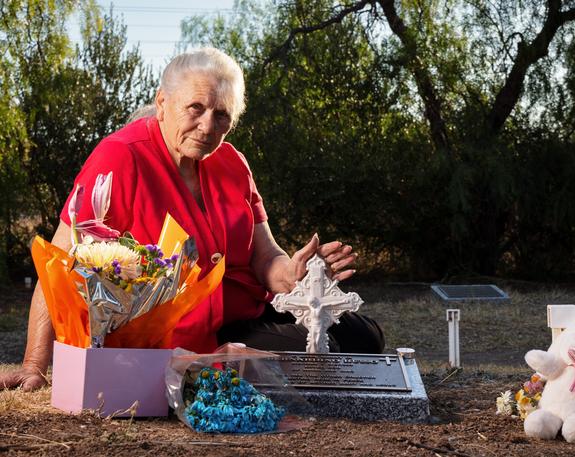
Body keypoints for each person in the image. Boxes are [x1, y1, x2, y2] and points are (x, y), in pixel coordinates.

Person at [1, 47, 384, 391]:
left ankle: (235, 361)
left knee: (367, 337)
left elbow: (266, 257)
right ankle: (212, 363)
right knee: (327, 350)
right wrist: (34, 363)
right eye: (195, 108)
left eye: (222, 115)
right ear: (162, 102)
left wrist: (296, 274)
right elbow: (59, 263)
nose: (207, 126)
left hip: (247, 307)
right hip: (183, 329)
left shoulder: (233, 162)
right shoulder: (119, 157)